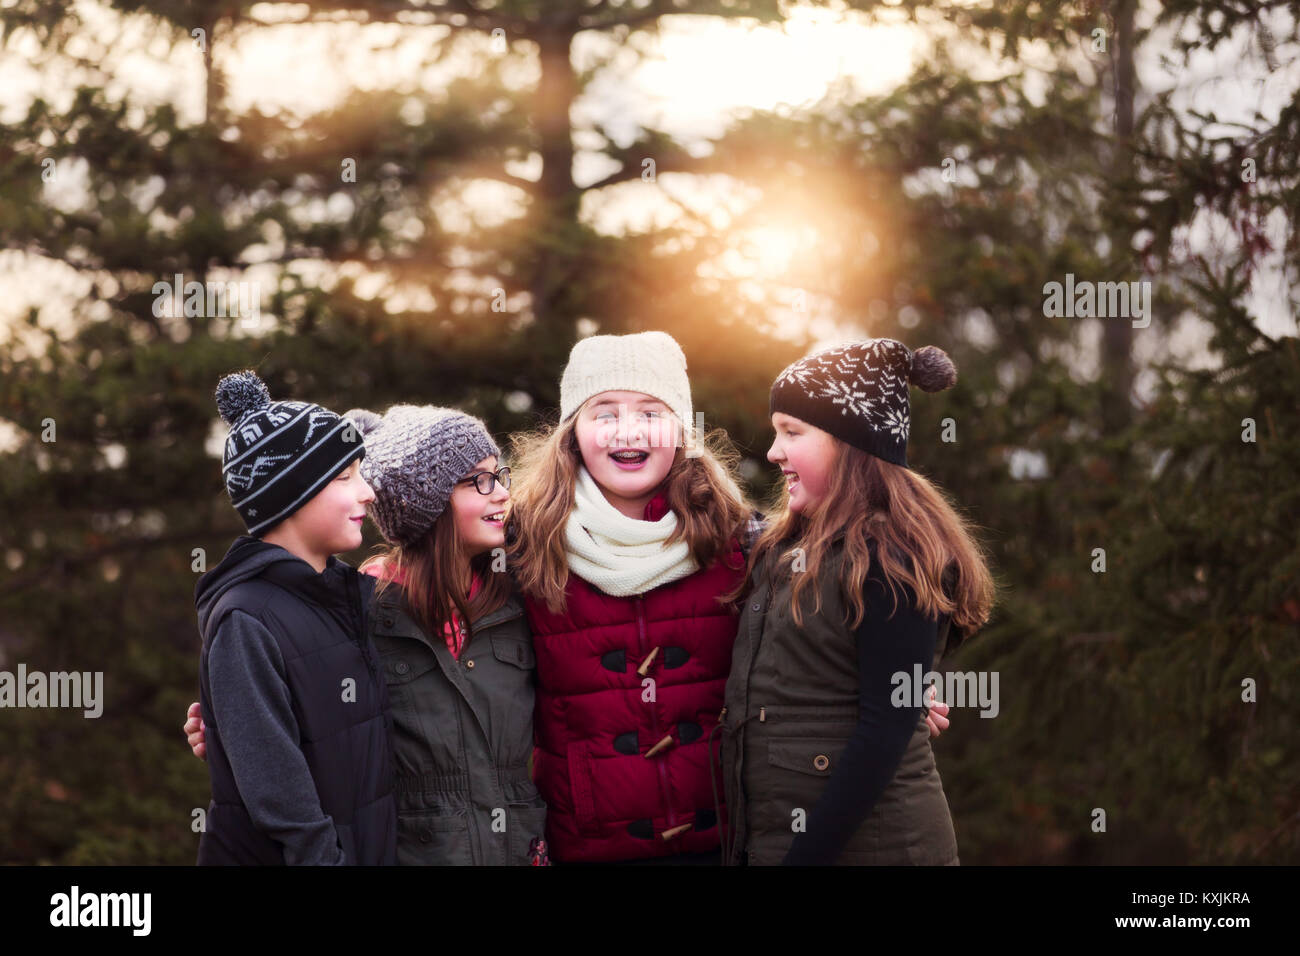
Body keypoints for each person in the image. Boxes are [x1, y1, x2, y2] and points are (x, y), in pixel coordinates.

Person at [718, 339, 995, 865]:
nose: (773, 451)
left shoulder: (893, 554)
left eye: (792, 432)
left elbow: (885, 730)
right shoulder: (791, 544)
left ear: (850, 444)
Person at [192, 370, 396, 865]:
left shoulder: (350, 599)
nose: (367, 492)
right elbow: (281, 798)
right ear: (292, 494)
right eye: (346, 476)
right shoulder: (246, 619)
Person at [349, 404, 547, 865]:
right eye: (478, 480)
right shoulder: (363, 616)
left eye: (499, 475)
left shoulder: (519, 597)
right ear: (429, 506)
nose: (501, 493)